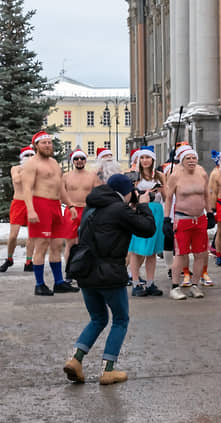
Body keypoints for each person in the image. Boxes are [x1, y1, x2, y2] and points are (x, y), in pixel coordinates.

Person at [62, 174, 157, 385]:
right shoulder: (118, 209)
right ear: (125, 191)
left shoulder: (91, 207)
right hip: (109, 273)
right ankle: (108, 369)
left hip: (85, 272)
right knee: (120, 319)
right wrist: (143, 205)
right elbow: (148, 229)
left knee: (98, 318)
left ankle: (76, 359)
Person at [20, 131, 80, 295]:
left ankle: (59, 282)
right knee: (42, 245)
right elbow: (27, 188)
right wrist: (30, 210)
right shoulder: (31, 164)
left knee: (57, 245)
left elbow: (60, 187)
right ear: (36, 146)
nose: (48, 145)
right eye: (44, 143)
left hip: (55, 206)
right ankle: (39, 284)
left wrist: (70, 205)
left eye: (49, 142)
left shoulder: (53, 162)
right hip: (40, 204)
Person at [164, 145, 209, 300]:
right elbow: (169, 198)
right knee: (181, 254)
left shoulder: (202, 173)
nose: (191, 161)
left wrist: (210, 212)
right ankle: (175, 286)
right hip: (183, 219)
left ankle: (195, 285)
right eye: (188, 158)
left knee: (200, 254)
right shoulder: (175, 175)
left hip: (200, 219)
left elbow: (207, 195)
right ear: (182, 160)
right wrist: (166, 219)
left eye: (193, 158)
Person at [128, 147, 166, 296]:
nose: (145, 160)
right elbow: (130, 197)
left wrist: (160, 189)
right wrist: (141, 194)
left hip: (156, 211)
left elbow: (166, 196)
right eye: (142, 157)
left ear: (152, 159)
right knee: (137, 250)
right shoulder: (134, 176)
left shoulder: (160, 176)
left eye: (147, 158)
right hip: (140, 211)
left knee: (152, 251)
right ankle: (136, 282)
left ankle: (150, 282)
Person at [60, 148, 102, 279]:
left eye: (82, 158)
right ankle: (69, 271)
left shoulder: (92, 176)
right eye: (76, 159)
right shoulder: (66, 176)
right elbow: (61, 193)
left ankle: (88, 269)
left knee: (89, 242)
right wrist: (69, 205)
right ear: (73, 161)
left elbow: (99, 193)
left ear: (85, 160)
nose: (79, 161)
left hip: (88, 210)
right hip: (71, 210)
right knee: (70, 243)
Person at [0, 146, 36, 273]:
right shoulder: (16, 168)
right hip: (18, 203)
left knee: (32, 234)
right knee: (13, 235)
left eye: (32, 155)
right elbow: (17, 179)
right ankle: (9, 258)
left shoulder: (37, 170)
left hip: (32, 203)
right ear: (22, 158)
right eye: (27, 156)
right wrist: (27, 169)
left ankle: (28, 261)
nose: (29, 158)